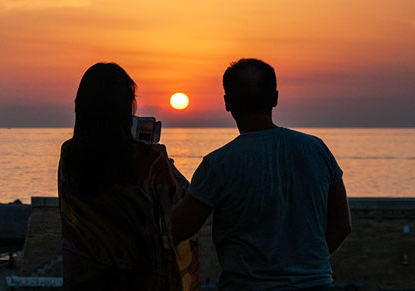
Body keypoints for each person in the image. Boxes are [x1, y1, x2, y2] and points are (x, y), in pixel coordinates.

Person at [171, 58, 352, 290]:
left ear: (227, 103)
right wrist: (305, 265)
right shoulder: (316, 149)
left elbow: (178, 228)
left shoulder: (218, 164)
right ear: (275, 98)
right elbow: (342, 225)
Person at [58, 63, 190, 291]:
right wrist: (166, 163)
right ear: (125, 107)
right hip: (140, 280)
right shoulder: (148, 158)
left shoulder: (70, 154)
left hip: (84, 280)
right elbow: (181, 207)